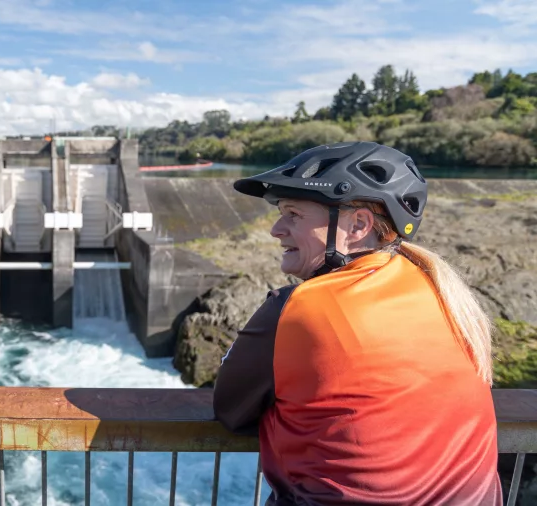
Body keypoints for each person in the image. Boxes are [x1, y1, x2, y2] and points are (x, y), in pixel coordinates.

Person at [214, 141, 501, 505]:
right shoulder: (442, 294)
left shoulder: (295, 309)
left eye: (293, 215)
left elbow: (231, 411)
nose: (276, 229)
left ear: (358, 225)